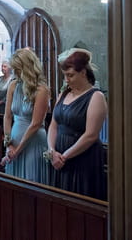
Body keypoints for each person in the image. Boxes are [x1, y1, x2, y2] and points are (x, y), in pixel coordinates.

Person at [47, 49, 107, 199]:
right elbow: (53, 125)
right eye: (65, 75)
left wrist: (65, 157)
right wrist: (52, 150)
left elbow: (91, 135)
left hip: (83, 158)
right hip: (58, 156)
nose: (66, 80)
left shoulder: (96, 96)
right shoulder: (64, 94)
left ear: (83, 73)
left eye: (70, 75)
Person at [2, 49, 50, 184]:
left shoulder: (41, 90)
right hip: (14, 139)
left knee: (31, 181)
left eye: (17, 69)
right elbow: (7, 116)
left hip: (33, 142)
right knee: (14, 183)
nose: (15, 72)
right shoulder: (13, 85)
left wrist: (18, 150)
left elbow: (35, 123)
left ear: (26, 68)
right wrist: (9, 144)